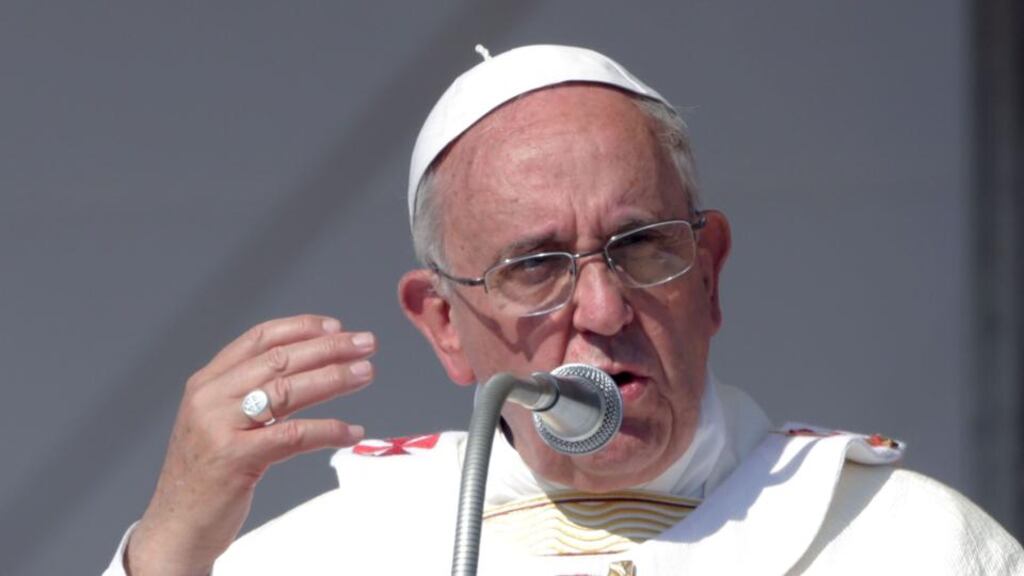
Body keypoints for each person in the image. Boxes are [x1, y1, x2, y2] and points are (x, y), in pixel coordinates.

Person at [104, 44, 1022, 575]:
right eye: (534, 266)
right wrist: (170, 550)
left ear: (710, 275)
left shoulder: (906, 543)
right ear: (443, 326)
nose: (600, 305)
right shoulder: (335, 558)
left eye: (643, 247)